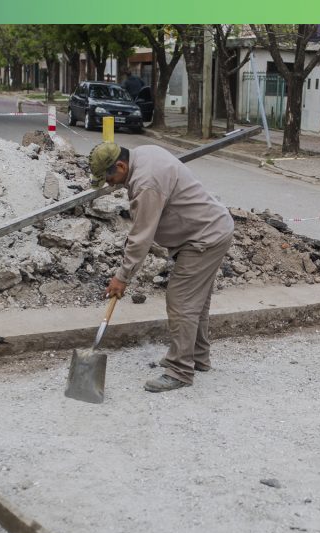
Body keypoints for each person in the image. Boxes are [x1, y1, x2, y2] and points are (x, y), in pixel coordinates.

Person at [89, 142, 234, 392]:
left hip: (203, 238)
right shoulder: (144, 153)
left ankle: (180, 370)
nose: (110, 184)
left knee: (181, 301)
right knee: (195, 303)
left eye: (109, 178)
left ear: (121, 166)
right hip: (211, 229)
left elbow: (141, 238)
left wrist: (122, 277)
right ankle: (198, 357)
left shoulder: (146, 184)